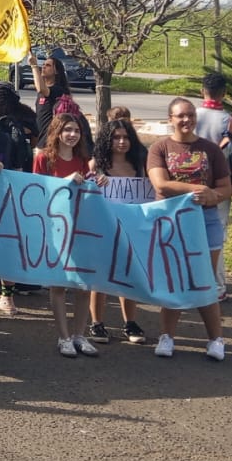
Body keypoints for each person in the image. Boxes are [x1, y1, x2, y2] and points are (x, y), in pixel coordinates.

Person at [148, 98, 232, 361]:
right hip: (172, 220)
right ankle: (167, 336)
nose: (186, 120)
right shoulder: (159, 148)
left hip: (205, 221)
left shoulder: (211, 150)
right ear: (170, 119)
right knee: (175, 279)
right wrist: (199, 190)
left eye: (190, 115)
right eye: (180, 116)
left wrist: (213, 197)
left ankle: (216, 339)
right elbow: (161, 185)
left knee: (204, 279)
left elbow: (226, 188)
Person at [34, 112, 97, 358]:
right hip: (56, 228)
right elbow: (37, 192)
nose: (72, 135)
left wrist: (96, 182)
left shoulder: (83, 160)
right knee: (60, 284)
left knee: (83, 285)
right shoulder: (43, 159)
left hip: (82, 227)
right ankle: (64, 336)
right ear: (57, 132)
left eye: (77, 131)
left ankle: (80, 334)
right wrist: (65, 182)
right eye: (68, 130)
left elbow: (89, 189)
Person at [90, 118, 153, 344]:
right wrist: (94, 183)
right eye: (116, 137)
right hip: (104, 229)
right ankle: (97, 323)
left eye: (126, 137)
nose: (121, 141)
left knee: (129, 274)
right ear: (108, 139)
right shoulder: (96, 165)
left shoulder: (140, 165)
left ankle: (130, 322)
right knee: (101, 277)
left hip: (131, 229)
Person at [195, 72, 232, 300]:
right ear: (224, 93)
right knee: (217, 235)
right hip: (220, 184)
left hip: (190, 184)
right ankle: (218, 286)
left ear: (203, 90)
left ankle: (192, 280)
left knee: (190, 233)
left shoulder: (191, 115)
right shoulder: (228, 119)